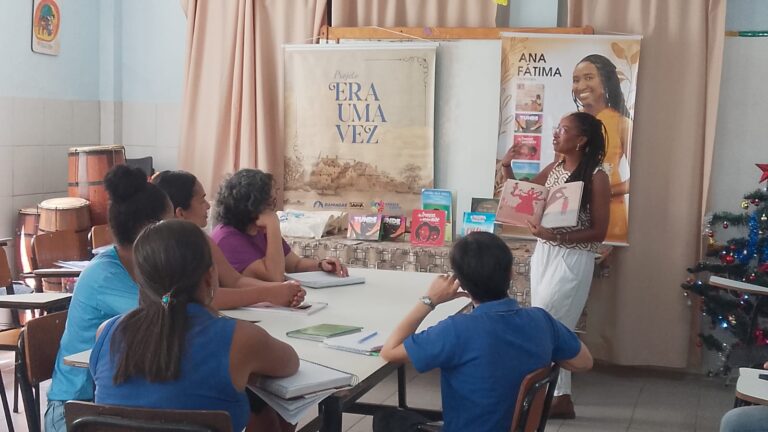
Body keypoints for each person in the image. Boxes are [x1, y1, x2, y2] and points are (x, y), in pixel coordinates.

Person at [91, 220, 299, 432]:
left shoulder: (106, 333)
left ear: (140, 280)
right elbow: (290, 362)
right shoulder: (240, 338)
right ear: (209, 277)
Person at [374, 232, 593, 432]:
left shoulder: (456, 330)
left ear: (461, 283)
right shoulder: (542, 320)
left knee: (387, 420)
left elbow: (389, 351)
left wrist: (430, 300)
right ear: (511, 272)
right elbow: (584, 362)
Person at [45, 165, 173, 431]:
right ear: (148, 228)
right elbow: (168, 317)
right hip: (77, 410)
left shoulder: (143, 265)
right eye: (171, 224)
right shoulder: (105, 274)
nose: (175, 233)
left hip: (116, 403)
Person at [501, 111, 610, 419]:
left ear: (581, 139)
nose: (555, 134)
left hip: (573, 258)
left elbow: (600, 232)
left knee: (548, 323)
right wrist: (507, 167)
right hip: (545, 253)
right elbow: (522, 198)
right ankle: (560, 398)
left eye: (562, 129)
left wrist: (557, 237)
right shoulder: (555, 168)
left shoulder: (597, 176)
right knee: (553, 325)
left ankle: (547, 397)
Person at [152, 170, 305, 309]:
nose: (207, 206)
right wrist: (269, 293)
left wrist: (279, 290)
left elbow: (235, 281)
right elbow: (206, 297)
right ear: (180, 213)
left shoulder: (202, 239)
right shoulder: (163, 248)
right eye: (201, 200)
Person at [212, 169, 348, 282]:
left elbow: (295, 264)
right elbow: (274, 277)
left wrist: (321, 265)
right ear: (252, 205)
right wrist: (273, 225)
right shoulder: (227, 238)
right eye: (270, 203)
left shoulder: (258, 228)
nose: (273, 208)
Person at [572, 54, 632, 244]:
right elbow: (559, 167)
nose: (581, 85)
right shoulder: (569, 122)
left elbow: (639, 180)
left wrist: (601, 192)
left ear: (605, 82)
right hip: (570, 215)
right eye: (576, 80)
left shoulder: (623, 124)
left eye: (589, 77)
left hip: (610, 216)